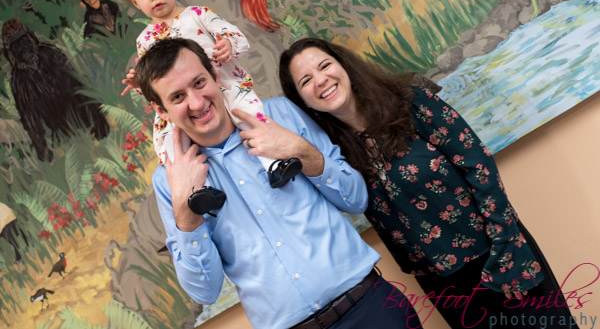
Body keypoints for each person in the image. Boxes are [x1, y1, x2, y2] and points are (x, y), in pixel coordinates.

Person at [279, 37, 578, 329]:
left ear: (344, 66)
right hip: (446, 287)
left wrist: (505, 248)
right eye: (306, 81)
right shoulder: (333, 156)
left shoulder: (408, 101)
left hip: (496, 253)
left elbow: (479, 167)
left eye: (324, 66)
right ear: (301, 100)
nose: (320, 80)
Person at [135, 38, 423, 329]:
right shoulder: (168, 179)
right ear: (161, 110)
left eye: (199, 83)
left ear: (214, 74)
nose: (196, 103)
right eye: (177, 97)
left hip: (372, 308)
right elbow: (204, 292)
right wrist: (185, 212)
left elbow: (356, 199)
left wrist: (302, 152)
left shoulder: (280, 115)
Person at [117, 0, 301, 199]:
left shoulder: (197, 15)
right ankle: (200, 190)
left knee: (248, 111)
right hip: (183, 101)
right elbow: (155, 84)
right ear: (135, 2)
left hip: (221, 83)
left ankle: (274, 163)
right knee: (171, 139)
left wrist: (228, 44)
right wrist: (140, 83)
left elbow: (235, 36)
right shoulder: (145, 40)